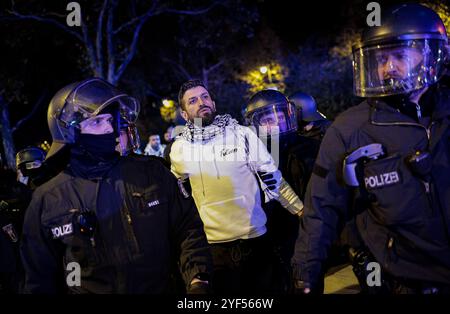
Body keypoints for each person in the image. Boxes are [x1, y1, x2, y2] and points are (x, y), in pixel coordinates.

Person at [293, 3, 450, 294]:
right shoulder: (349, 130)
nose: (388, 68)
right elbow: (320, 210)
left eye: (400, 55)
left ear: (431, 55)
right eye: (381, 58)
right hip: (402, 282)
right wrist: (305, 277)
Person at [20, 78, 212, 294]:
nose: (109, 129)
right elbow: (39, 280)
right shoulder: (48, 200)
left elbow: (188, 228)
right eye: (97, 122)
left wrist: (198, 280)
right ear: (70, 131)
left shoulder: (151, 173)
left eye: (110, 120)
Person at [170, 79, 304, 294]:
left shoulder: (243, 135)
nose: (201, 102)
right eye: (192, 100)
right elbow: (176, 192)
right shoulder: (179, 149)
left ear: (213, 103)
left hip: (255, 240)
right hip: (213, 248)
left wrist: (300, 210)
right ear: (184, 114)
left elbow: (272, 178)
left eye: (205, 97)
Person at [245, 89, 321, 292]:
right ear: (255, 125)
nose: (277, 123)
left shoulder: (310, 148)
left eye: (280, 116)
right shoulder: (251, 158)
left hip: (308, 238)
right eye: (269, 119)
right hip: (272, 242)